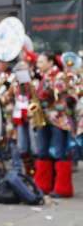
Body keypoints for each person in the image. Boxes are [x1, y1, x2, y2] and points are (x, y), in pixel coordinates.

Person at [33, 52, 75, 197]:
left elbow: (66, 97)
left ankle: (62, 189)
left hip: (59, 120)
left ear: (50, 63)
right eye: (38, 62)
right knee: (43, 152)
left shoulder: (60, 76)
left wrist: (46, 96)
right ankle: (43, 186)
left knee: (60, 152)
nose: (38, 65)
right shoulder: (42, 78)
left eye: (41, 62)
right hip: (44, 118)